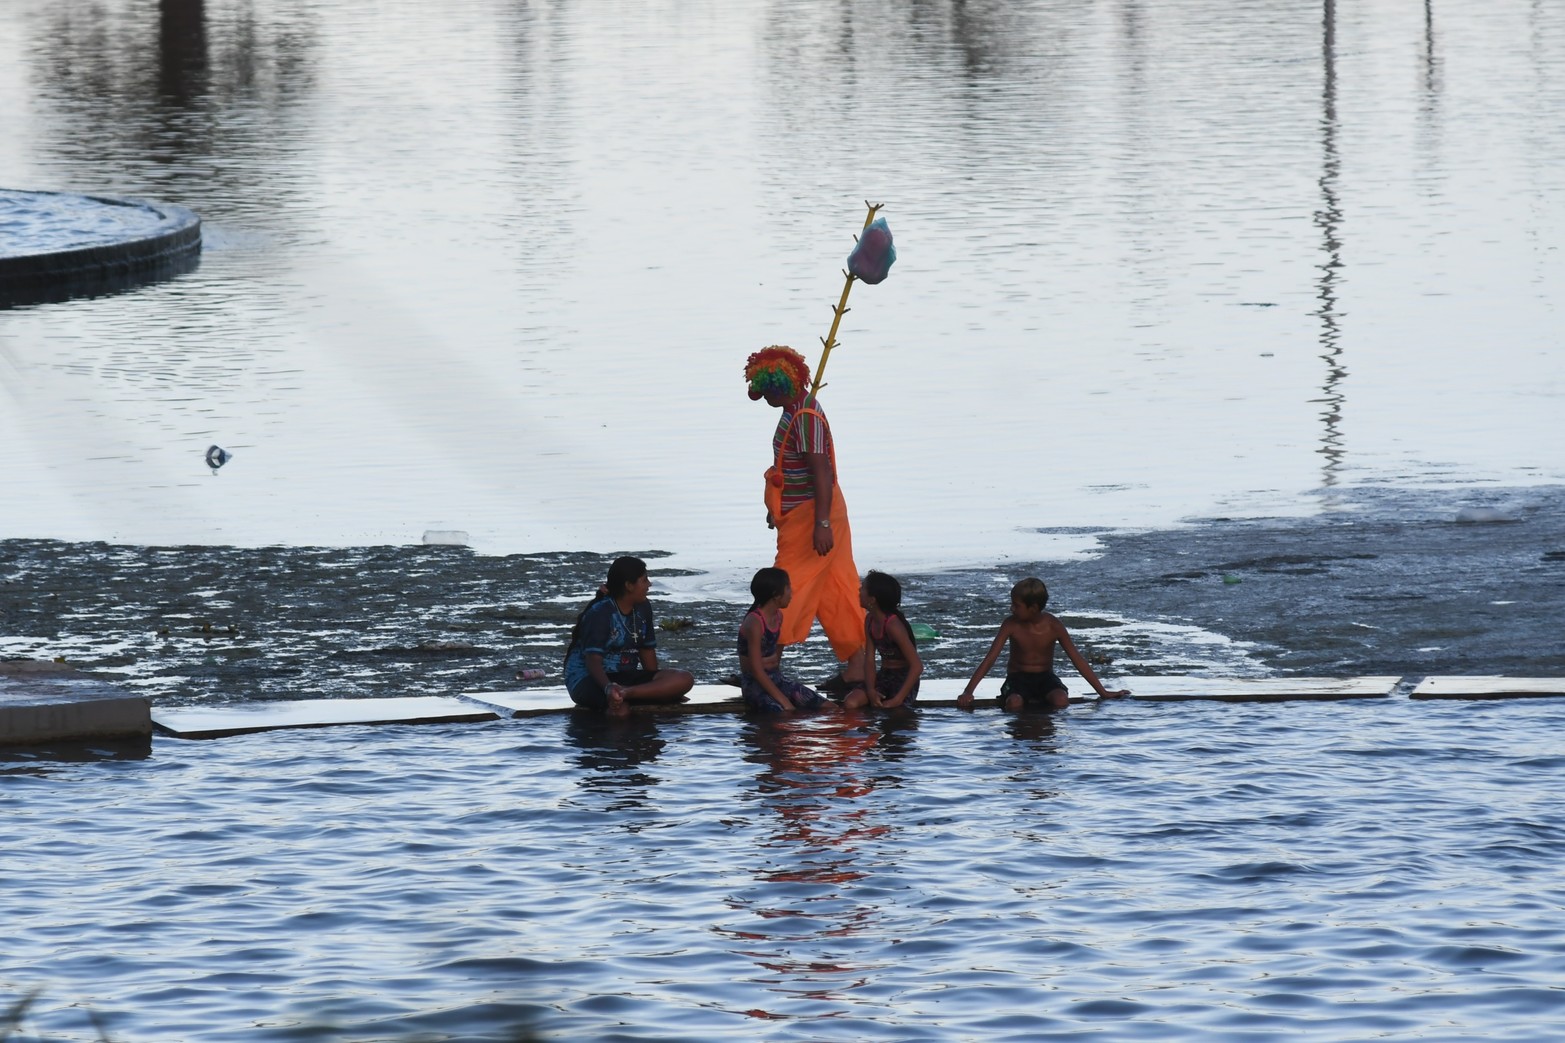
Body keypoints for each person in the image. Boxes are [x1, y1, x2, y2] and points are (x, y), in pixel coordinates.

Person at [745, 345, 867, 689]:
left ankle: (770, 658)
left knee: (786, 583)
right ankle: (858, 664)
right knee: (835, 587)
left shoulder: (806, 416)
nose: (764, 397)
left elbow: (821, 474)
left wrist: (822, 524)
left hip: (817, 516)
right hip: (801, 514)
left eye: (769, 389)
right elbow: (790, 468)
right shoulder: (792, 408)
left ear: (782, 386)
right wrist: (777, 508)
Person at [958, 577, 1130, 711]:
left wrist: (1103, 693)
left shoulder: (1053, 626)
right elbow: (990, 659)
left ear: (1033, 608)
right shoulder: (1010, 625)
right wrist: (968, 692)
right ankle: (1020, 738)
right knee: (1014, 703)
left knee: (1061, 700)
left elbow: (1077, 659)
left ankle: (1044, 732)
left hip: (1045, 678)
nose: (1011, 609)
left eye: (1016, 606)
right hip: (1018, 679)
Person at [564, 556, 694, 715]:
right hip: (589, 678)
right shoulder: (600, 613)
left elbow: (646, 650)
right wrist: (608, 687)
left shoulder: (643, 607)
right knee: (621, 711)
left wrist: (660, 690)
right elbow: (593, 661)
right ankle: (619, 700)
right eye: (644, 580)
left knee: (684, 678)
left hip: (624, 678)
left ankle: (627, 693)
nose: (649, 585)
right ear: (629, 586)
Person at [738, 567, 828, 714]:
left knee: (827, 707)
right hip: (755, 685)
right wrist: (785, 702)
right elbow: (756, 670)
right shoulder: (754, 622)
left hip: (775, 678)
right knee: (785, 713)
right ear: (776, 595)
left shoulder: (778, 616)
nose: (791, 594)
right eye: (788, 589)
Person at [842, 570, 922, 710]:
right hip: (884, 675)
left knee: (894, 713)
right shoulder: (869, 620)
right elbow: (869, 660)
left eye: (863, 588)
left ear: (873, 599)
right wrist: (871, 690)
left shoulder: (893, 625)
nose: (859, 590)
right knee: (850, 703)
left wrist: (897, 700)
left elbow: (917, 666)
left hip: (904, 679)